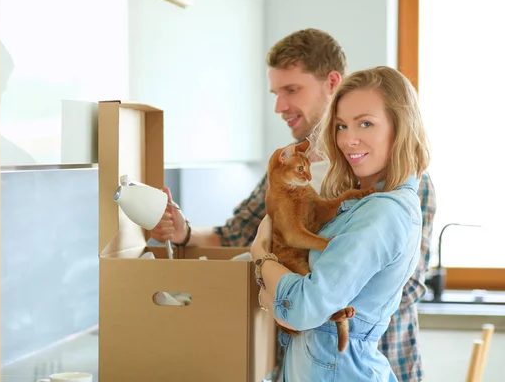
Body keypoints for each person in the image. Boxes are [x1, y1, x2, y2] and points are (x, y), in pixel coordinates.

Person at [150, 29, 436, 382]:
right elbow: (239, 234)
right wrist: (184, 232)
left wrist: (295, 296)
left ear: (331, 82)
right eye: (276, 93)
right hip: (301, 358)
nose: (279, 106)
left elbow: (404, 285)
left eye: (291, 90)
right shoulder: (288, 167)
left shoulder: (391, 186)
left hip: (374, 358)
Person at [251, 65, 430, 381]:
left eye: (365, 123)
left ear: (399, 127)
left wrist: (260, 256)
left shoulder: (384, 213)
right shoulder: (367, 203)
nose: (349, 140)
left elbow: (303, 309)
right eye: (341, 126)